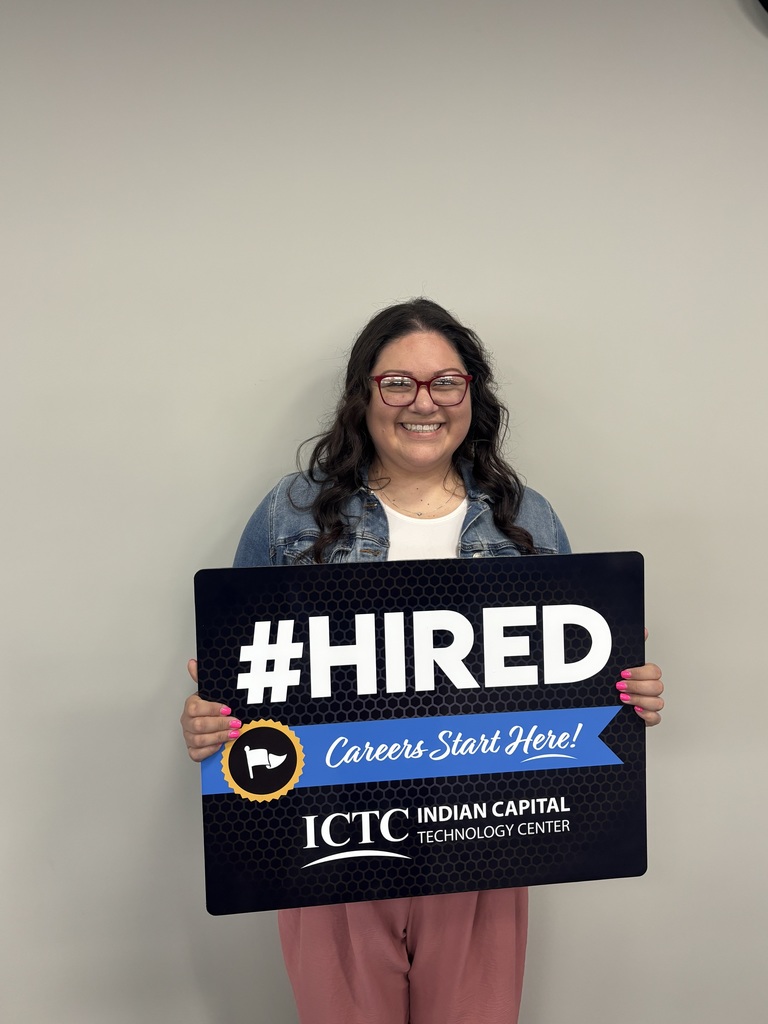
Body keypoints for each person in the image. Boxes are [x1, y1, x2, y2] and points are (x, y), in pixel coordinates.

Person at [181, 298, 664, 1024]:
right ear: (364, 394)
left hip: (485, 842)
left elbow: (574, 689)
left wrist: (626, 694)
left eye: (445, 382)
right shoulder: (291, 513)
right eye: (398, 383)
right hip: (331, 844)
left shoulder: (526, 517)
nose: (423, 402)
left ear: (471, 394)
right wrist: (207, 721)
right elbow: (239, 678)